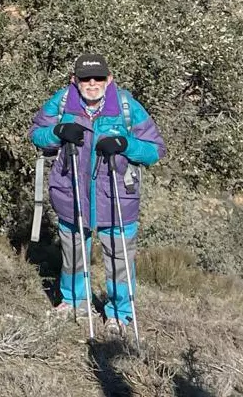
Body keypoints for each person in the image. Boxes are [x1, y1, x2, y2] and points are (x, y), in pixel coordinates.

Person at [29, 54, 165, 333]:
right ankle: (74, 300)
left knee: (119, 259)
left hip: (117, 199)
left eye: (98, 78)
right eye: (85, 78)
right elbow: (36, 134)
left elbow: (155, 150)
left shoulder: (126, 106)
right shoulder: (63, 102)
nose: (92, 84)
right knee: (73, 252)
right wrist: (58, 132)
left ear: (109, 80)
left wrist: (125, 144)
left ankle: (119, 313)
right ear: (74, 80)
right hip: (71, 193)